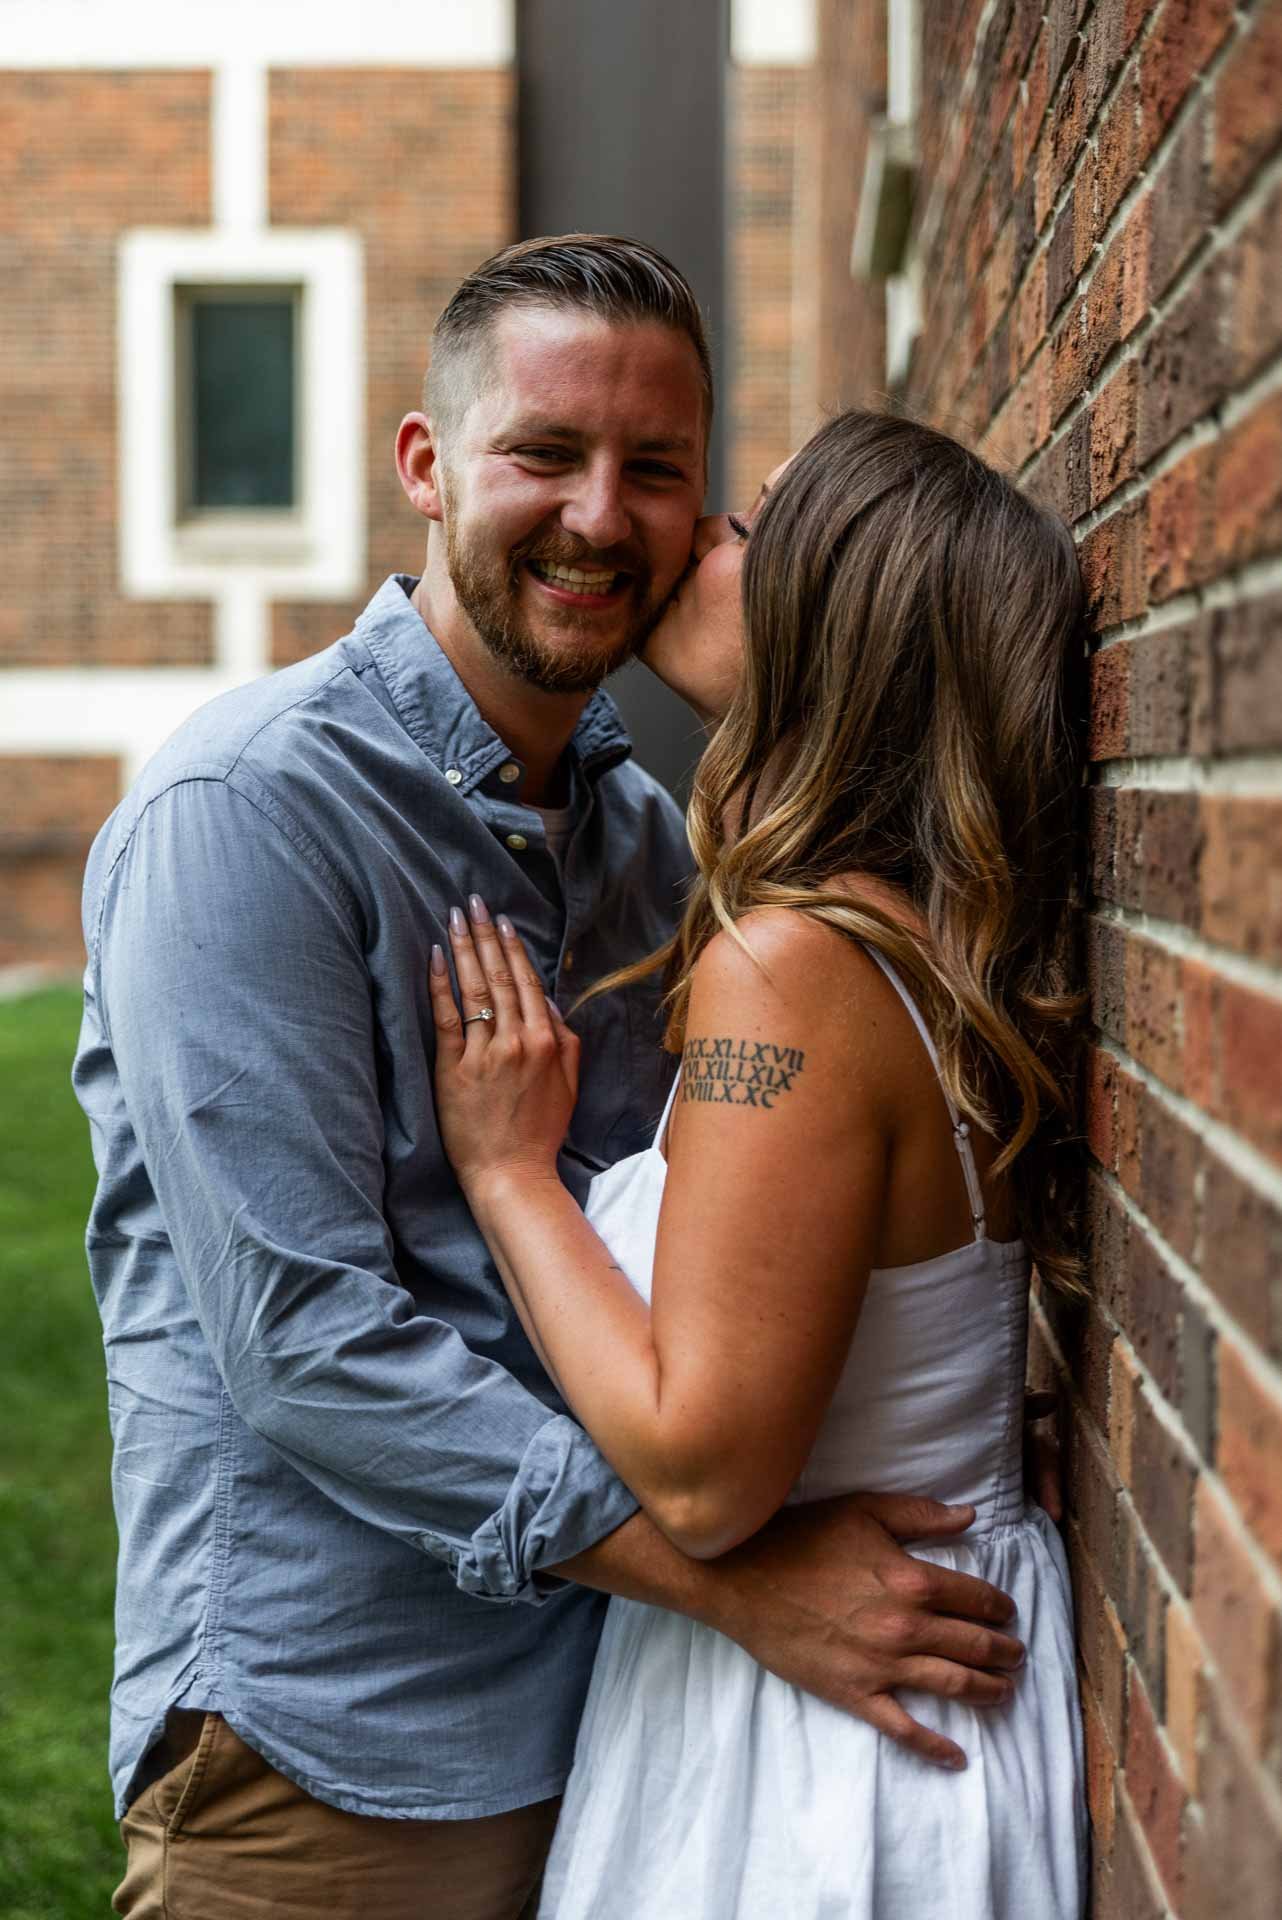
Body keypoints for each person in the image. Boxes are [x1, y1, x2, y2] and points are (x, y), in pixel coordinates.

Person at [74, 238, 1030, 1920]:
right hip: (348, 1749)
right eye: (544, 454)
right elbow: (302, 1341)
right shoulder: (248, 816)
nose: (602, 516)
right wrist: (734, 1592)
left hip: (631, 1727)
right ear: (427, 467)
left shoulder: (649, 847)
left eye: (659, 471)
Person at [427, 408, 1089, 1917]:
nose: (702, 537)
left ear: (831, 628)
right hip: (910, 1699)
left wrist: (510, 1178)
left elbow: (709, 1477)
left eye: (754, 527)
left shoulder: (792, 968)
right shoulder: (909, 942)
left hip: (817, 1770)